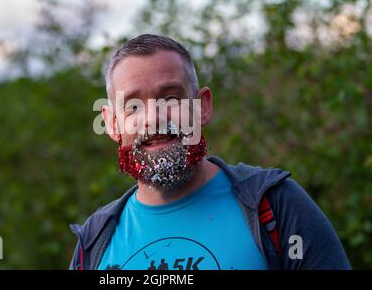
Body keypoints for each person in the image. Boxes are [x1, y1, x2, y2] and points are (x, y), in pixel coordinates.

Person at [69, 34, 351, 270]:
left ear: (202, 106)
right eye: (132, 106)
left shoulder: (274, 206)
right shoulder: (94, 242)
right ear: (112, 123)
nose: (153, 117)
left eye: (171, 98)